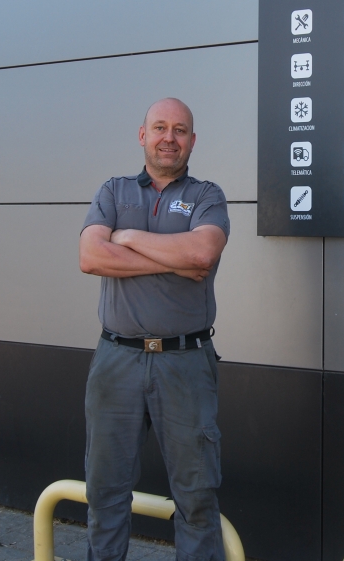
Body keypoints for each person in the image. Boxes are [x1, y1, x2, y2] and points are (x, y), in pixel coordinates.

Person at [79, 97, 230, 561]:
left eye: (180, 130)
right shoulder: (113, 190)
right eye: (160, 128)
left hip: (184, 362)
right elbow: (90, 257)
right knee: (105, 494)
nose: (170, 137)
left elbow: (201, 255)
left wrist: (126, 238)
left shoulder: (208, 196)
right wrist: (171, 257)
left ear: (192, 140)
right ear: (142, 135)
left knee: (197, 498)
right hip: (116, 360)